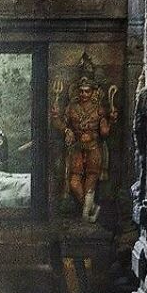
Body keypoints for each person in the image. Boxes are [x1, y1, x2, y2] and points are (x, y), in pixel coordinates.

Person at [51, 74, 117, 222]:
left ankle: (86, 215)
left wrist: (111, 120)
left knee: (90, 181)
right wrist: (58, 119)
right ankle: (90, 208)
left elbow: (105, 132)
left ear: (93, 92)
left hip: (94, 148)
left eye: (87, 91)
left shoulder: (99, 110)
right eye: (81, 91)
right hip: (76, 149)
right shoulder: (71, 108)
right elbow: (60, 125)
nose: (84, 94)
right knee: (74, 182)